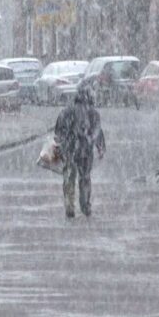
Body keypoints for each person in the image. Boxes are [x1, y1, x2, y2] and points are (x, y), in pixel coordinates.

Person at [54, 85, 105, 218]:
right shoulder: (93, 113)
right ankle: (85, 205)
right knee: (85, 178)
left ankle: (69, 206)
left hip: (69, 150)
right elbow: (98, 131)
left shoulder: (67, 111)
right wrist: (100, 147)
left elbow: (58, 131)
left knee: (69, 178)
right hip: (85, 151)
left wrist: (61, 144)